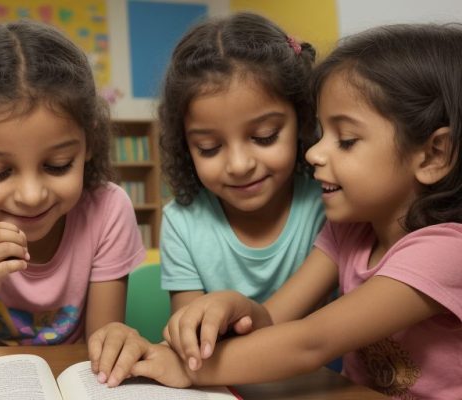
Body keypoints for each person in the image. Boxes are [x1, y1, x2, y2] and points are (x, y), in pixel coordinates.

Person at [130, 23, 462, 399]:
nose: (314, 153)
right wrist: (235, 305)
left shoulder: (447, 252)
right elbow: (272, 319)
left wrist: (191, 370)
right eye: (321, 134)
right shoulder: (349, 232)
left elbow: (311, 342)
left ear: (434, 154)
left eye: (346, 140)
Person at [88, 12, 325, 386]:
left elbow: (294, 328)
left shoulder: (327, 202)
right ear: (185, 147)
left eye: (264, 136)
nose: (239, 165)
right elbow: (194, 348)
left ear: (304, 119)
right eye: (209, 147)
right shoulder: (183, 222)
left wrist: (235, 307)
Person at [0, 21, 147, 371]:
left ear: (89, 144)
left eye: (58, 164)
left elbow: (102, 349)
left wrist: (21, 359)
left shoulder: (107, 210)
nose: (31, 195)